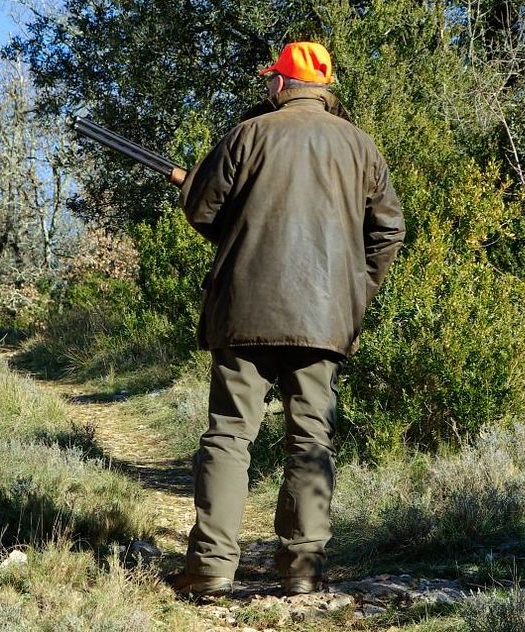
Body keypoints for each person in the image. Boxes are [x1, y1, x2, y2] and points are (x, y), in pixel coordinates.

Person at [170, 42, 405, 598]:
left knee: (229, 436)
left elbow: (203, 210)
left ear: (280, 84)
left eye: (270, 79)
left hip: (243, 312)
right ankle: (301, 570)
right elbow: (388, 233)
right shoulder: (361, 146)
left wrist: (214, 208)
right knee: (310, 440)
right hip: (325, 319)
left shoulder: (247, 135)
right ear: (325, 88)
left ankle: (210, 569)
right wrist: (353, 292)